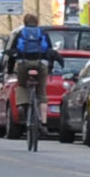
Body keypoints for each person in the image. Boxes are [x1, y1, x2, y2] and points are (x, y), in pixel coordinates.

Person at [9, 12, 56, 150]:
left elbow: (12, 53)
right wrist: (50, 67)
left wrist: (10, 69)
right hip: (41, 64)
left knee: (22, 85)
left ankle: (22, 107)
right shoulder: (43, 33)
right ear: (37, 23)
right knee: (41, 92)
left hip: (24, 64)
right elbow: (50, 52)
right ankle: (44, 124)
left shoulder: (20, 33)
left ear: (25, 23)